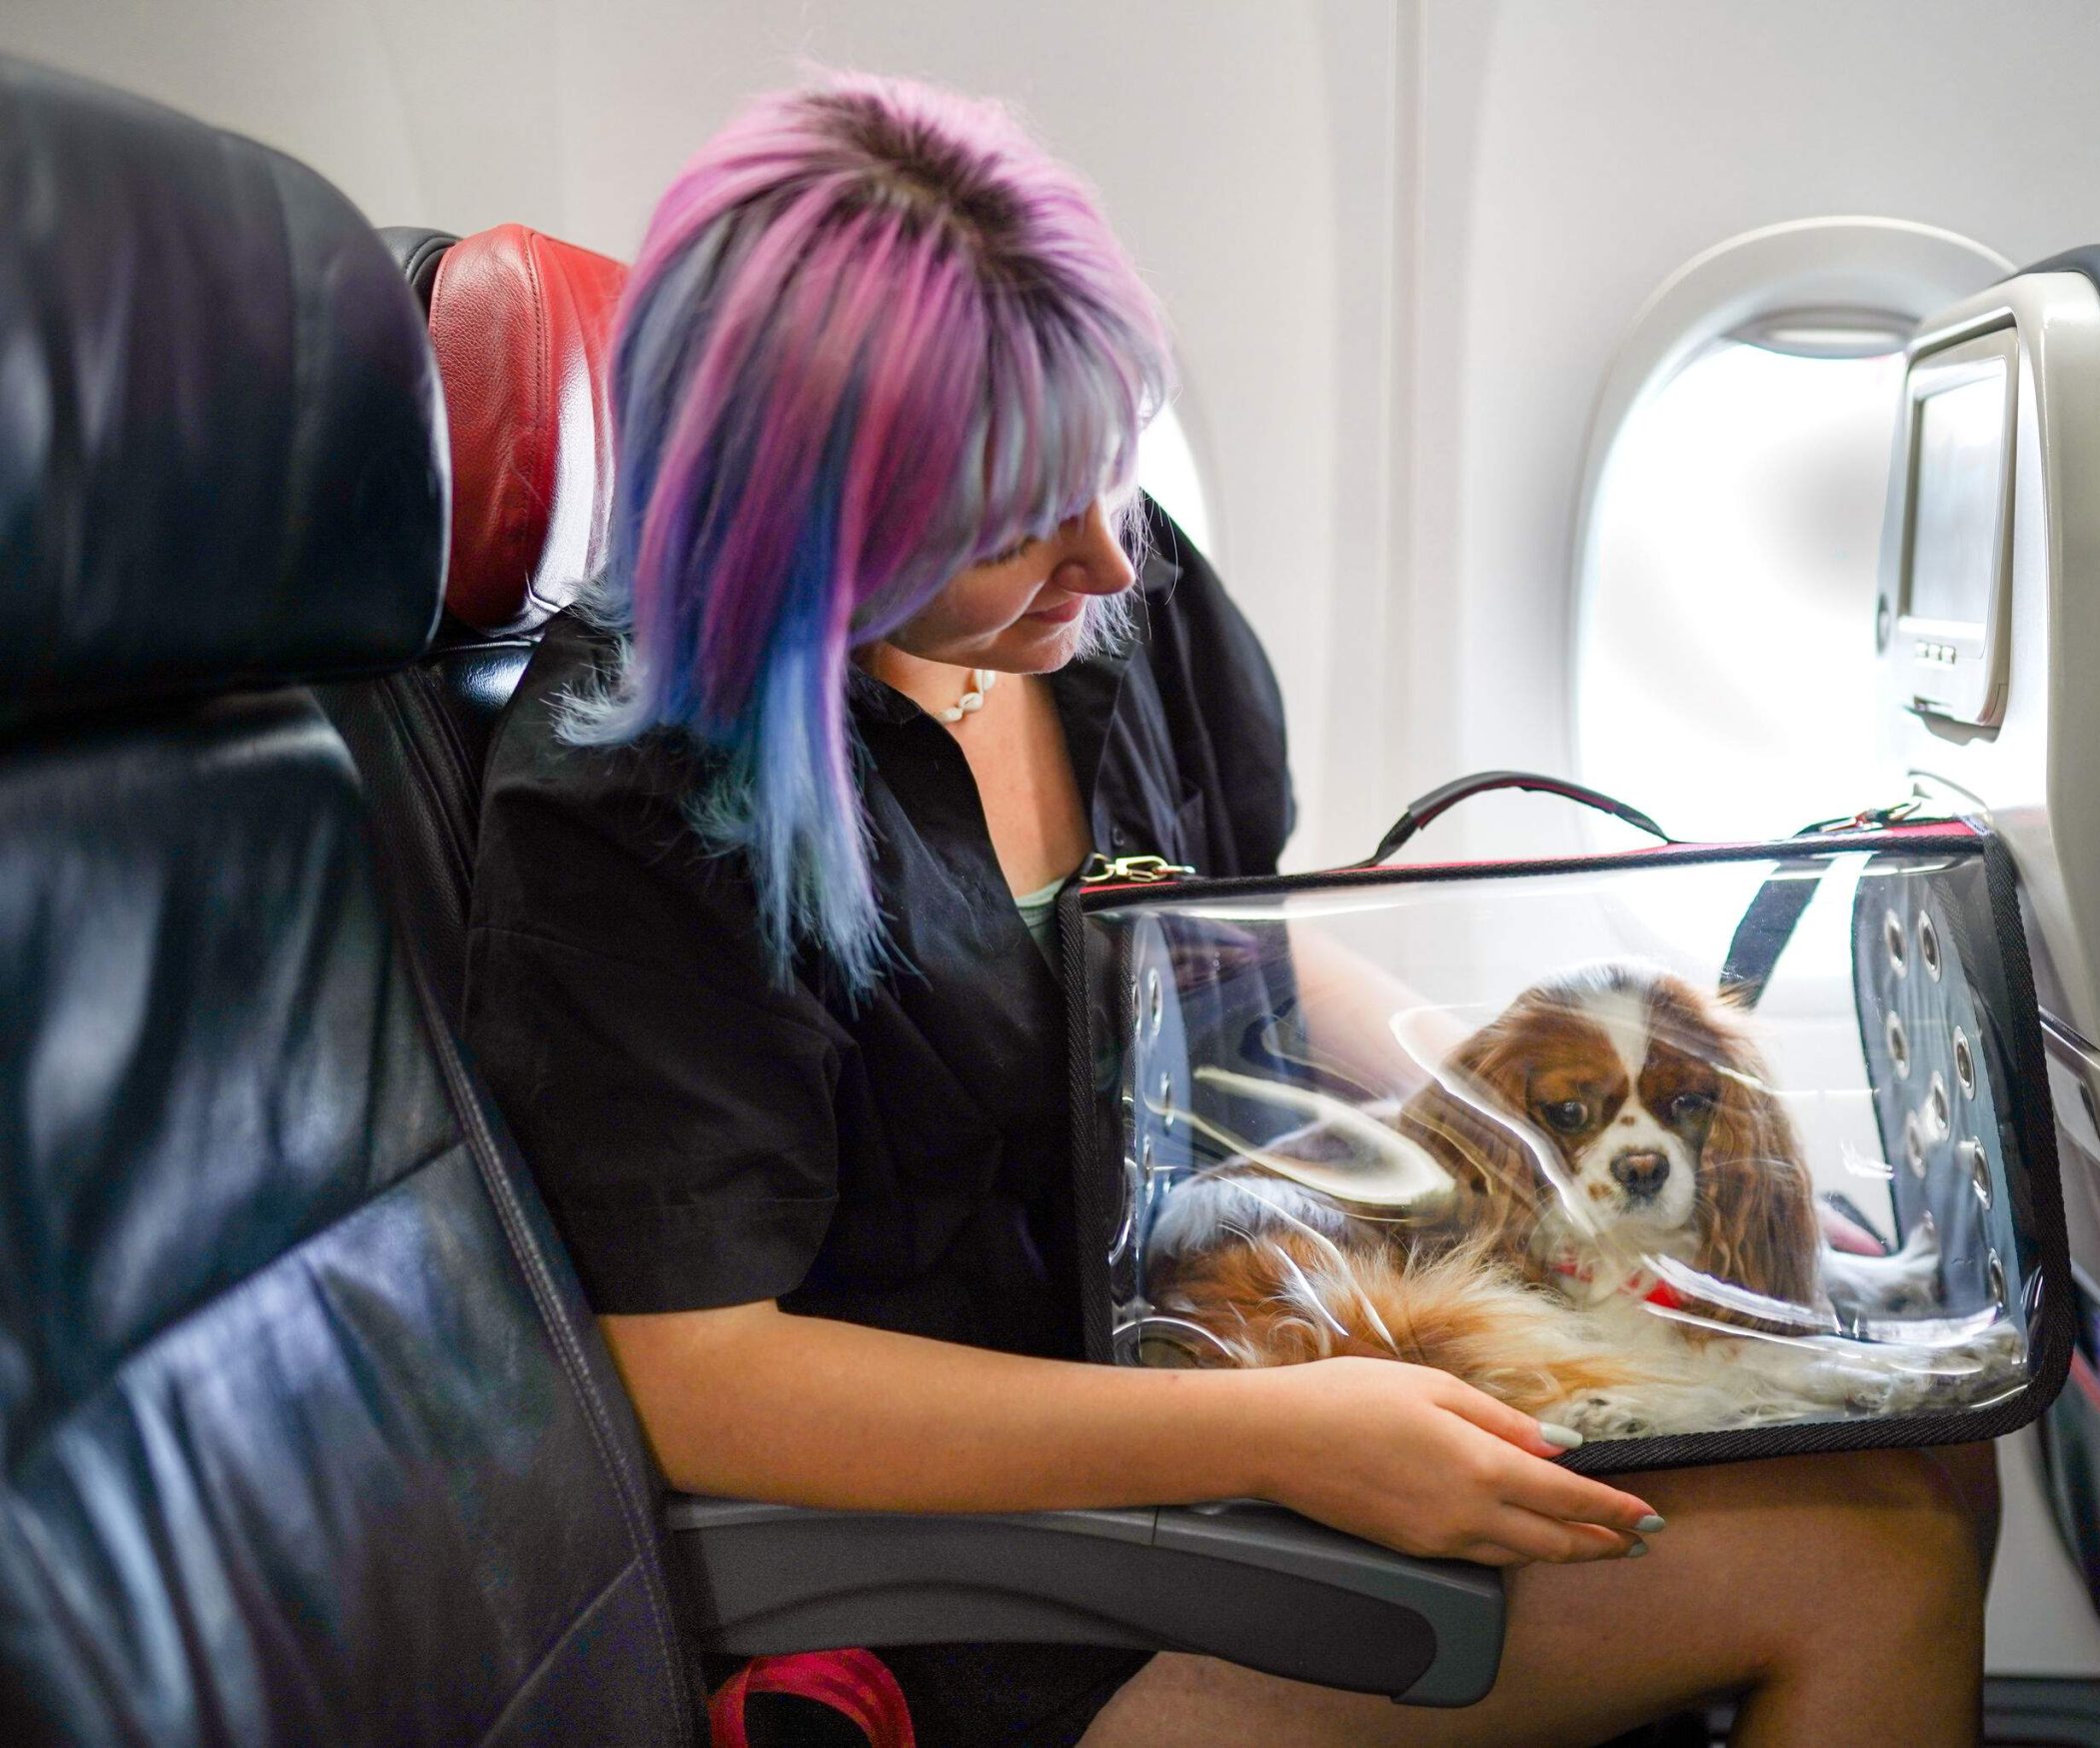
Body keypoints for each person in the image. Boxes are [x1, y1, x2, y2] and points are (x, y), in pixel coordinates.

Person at [463, 69, 1996, 1748]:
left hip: (1234, 1347)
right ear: (814, 536)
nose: (1108, 561)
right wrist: (1283, 1439)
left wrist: (1556, 1161)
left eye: (1103, 471)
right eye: (1006, 527)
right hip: (993, 1554)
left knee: (1921, 1419)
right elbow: (705, 1381)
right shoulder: (641, 804)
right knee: (1882, 1554)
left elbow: (1228, 952)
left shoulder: (1113, 601)